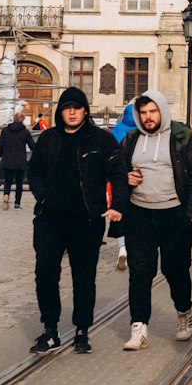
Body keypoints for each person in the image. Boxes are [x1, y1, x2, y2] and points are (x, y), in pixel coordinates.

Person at [27, 87, 127, 354]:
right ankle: (50, 330)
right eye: (67, 107)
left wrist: (117, 205)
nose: (72, 112)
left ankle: (82, 330)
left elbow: (118, 173)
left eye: (77, 107)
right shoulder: (48, 139)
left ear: (85, 110)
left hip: (86, 220)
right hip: (50, 220)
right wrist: (43, 197)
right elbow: (33, 171)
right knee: (45, 274)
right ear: (61, 112)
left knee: (84, 278)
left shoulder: (101, 141)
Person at [116, 90, 192, 351]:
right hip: (139, 214)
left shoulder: (181, 136)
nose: (148, 117)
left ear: (162, 111)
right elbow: (117, 172)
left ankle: (184, 311)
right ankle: (139, 327)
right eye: (143, 113)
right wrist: (126, 178)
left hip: (174, 214)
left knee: (174, 270)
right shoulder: (130, 139)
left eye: (152, 112)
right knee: (140, 271)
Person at [110, 103, 138, 271]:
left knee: (120, 212)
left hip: (119, 176)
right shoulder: (141, 130)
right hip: (138, 176)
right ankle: (134, 246)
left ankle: (122, 249)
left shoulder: (117, 129)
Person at [0, 108, 34, 210]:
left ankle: (6, 194)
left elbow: (0, 145)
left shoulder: (5, 131)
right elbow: (32, 146)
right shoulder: (25, 132)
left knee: (7, 181)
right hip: (20, 161)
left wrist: (2, 155)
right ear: (22, 120)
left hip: (7, 160)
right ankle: (17, 204)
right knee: (19, 183)